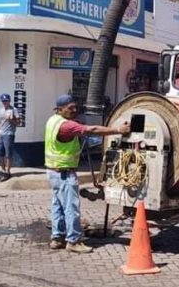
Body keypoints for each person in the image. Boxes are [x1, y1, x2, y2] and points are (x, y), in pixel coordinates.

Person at [45, 94, 131, 254]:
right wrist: (118, 130)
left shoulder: (52, 121)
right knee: (71, 207)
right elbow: (92, 129)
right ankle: (74, 241)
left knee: (58, 206)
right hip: (65, 173)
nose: (74, 110)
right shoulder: (66, 126)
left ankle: (57, 239)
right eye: (70, 108)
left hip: (52, 172)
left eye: (75, 107)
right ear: (60, 109)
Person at [0, 93, 20, 181]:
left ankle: (8, 172)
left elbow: (18, 123)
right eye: (3, 101)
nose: (5, 102)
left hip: (9, 134)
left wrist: (10, 120)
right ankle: (3, 171)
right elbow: (0, 123)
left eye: (7, 101)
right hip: (1, 134)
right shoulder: (1, 110)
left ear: (10, 101)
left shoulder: (14, 110)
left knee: (8, 154)